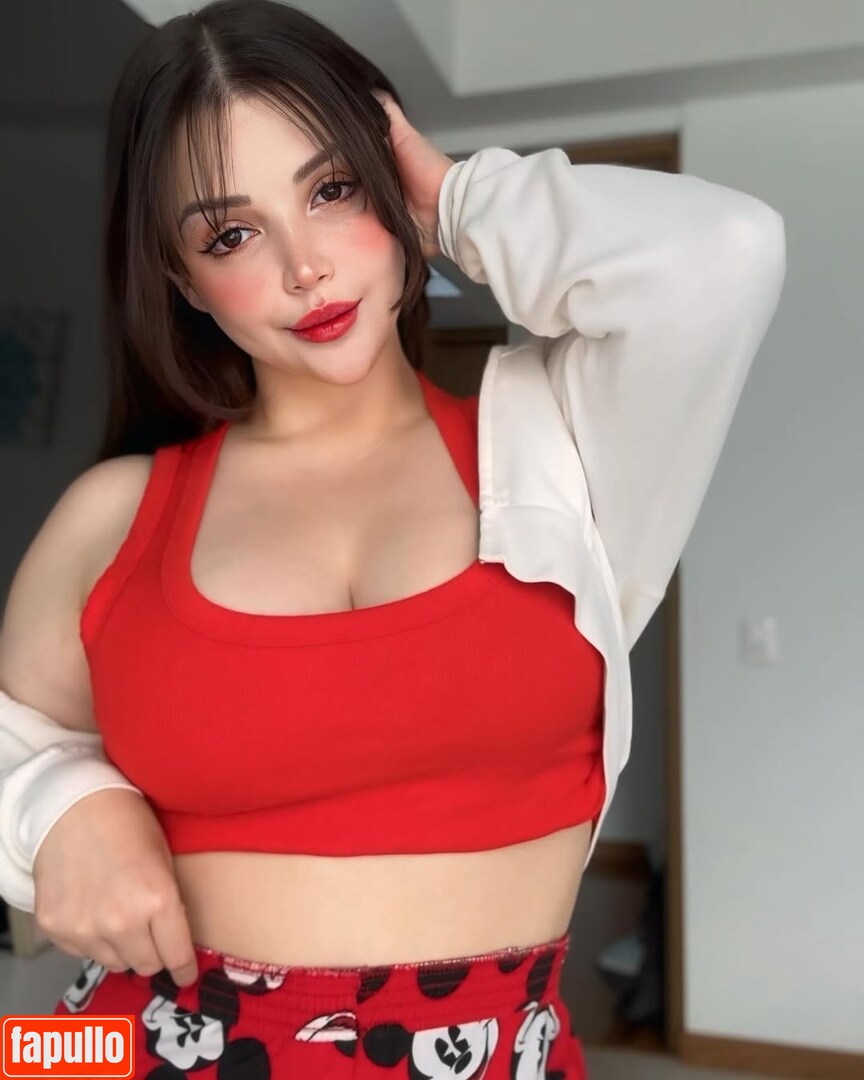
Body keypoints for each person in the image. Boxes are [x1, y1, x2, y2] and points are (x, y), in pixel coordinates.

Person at [0, 0, 786, 1076]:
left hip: (490, 1045)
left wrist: (451, 199)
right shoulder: (115, 512)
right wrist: (58, 808)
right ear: (184, 281)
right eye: (232, 234)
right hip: (125, 1044)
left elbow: (728, 253)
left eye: (332, 190)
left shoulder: (560, 453)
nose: (305, 267)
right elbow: (18, 745)